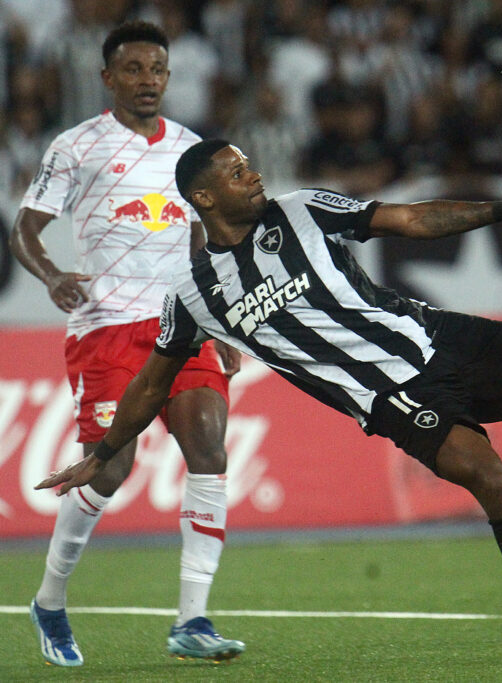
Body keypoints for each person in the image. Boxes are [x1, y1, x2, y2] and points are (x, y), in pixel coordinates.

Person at [38, 139, 502, 678]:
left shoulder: (302, 209)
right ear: (204, 196)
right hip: (391, 396)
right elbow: (148, 385)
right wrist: (106, 453)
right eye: (238, 172)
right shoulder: (194, 297)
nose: (255, 175)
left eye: (250, 166)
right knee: (497, 483)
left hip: (438, 334)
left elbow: (410, 218)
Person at [11, 26, 245, 667]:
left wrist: (221, 323)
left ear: (170, 78)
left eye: (158, 69)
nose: (147, 79)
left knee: (208, 443)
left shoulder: (192, 150)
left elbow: (206, 243)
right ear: (108, 77)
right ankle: (50, 602)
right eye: (134, 68)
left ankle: (192, 620)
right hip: (107, 328)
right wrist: (54, 274)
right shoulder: (77, 146)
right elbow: (25, 229)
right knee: (110, 469)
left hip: (181, 323)